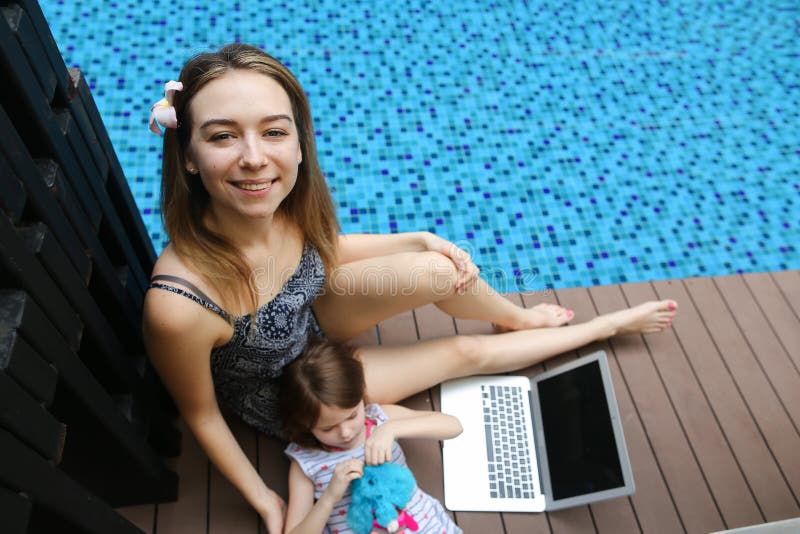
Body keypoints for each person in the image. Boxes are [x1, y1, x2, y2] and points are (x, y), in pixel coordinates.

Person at [142, 42, 678, 533]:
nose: (255, 157)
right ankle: (609, 325)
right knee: (462, 351)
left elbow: (326, 250)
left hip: (312, 319)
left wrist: (418, 239)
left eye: (274, 132)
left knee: (438, 269)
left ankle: (513, 316)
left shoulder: (282, 207)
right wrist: (264, 498)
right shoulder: (181, 305)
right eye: (222, 135)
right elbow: (202, 413)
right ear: (188, 155)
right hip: (290, 389)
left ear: (300, 143)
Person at [280, 339, 463, 534]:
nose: (346, 432)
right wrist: (329, 497)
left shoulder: (379, 418)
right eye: (328, 429)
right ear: (306, 426)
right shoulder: (306, 462)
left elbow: (454, 426)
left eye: (352, 416)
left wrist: (391, 429)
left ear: (361, 396)